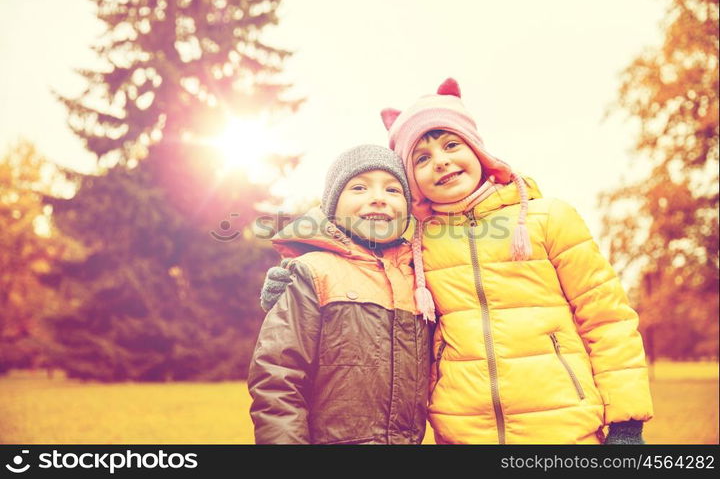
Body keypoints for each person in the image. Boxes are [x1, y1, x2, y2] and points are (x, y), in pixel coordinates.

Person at [374, 77, 654, 444]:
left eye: (451, 144)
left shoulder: (548, 218)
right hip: (464, 435)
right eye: (422, 158)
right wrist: (299, 275)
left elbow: (607, 319)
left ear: (477, 151)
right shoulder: (416, 243)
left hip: (564, 431)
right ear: (411, 179)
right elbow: (353, 255)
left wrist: (626, 423)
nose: (440, 161)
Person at [247, 145, 431, 444]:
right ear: (332, 207)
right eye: (359, 187)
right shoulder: (311, 272)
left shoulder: (419, 279)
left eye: (393, 189)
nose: (378, 197)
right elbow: (278, 379)